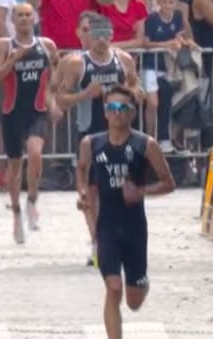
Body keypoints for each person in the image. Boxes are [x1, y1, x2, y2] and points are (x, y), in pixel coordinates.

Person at [76, 85, 176, 339]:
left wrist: (142, 192)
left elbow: (169, 182)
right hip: (107, 227)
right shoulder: (91, 144)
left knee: (133, 299)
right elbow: (82, 171)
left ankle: (142, 284)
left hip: (135, 228)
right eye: (111, 108)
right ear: (104, 112)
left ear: (132, 113)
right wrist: (83, 195)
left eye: (122, 109)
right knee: (113, 287)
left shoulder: (145, 145)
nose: (116, 114)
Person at [55, 11, 140, 268]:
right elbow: (61, 97)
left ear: (112, 34)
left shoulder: (123, 60)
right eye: (96, 33)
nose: (101, 39)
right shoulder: (76, 63)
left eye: (106, 33)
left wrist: (126, 96)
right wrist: (86, 95)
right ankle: (97, 241)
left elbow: (137, 89)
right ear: (87, 35)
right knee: (92, 191)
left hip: (119, 134)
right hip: (89, 134)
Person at [0, 1, 60, 243]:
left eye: (28, 15)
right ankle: (16, 213)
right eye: (20, 15)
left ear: (35, 18)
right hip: (12, 112)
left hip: (36, 111)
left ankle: (32, 200)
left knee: (35, 153)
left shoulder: (46, 45)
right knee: (15, 167)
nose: (25, 19)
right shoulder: (4, 46)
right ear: (13, 20)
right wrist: (12, 61)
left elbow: (53, 76)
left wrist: (53, 101)